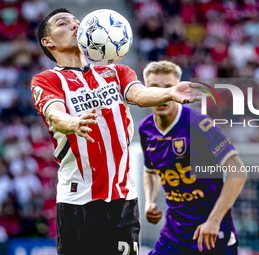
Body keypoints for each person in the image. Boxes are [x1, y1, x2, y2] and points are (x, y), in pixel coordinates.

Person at [31, 8, 203, 255]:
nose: (74, 26)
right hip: (77, 200)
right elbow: (54, 114)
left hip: (123, 200)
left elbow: (140, 95)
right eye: (63, 23)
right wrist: (72, 123)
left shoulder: (116, 72)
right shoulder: (46, 80)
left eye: (77, 22)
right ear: (47, 42)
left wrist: (168, 93)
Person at [139, 61, 247, 255]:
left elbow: (238, 171)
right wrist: (150, 201)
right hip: (173, 236)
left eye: (168, 87)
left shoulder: (198, 124)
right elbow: (150, 171)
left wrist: (213, 221)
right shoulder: (145, 129)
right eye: (154, 88)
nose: (162, 94)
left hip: (211, 235)